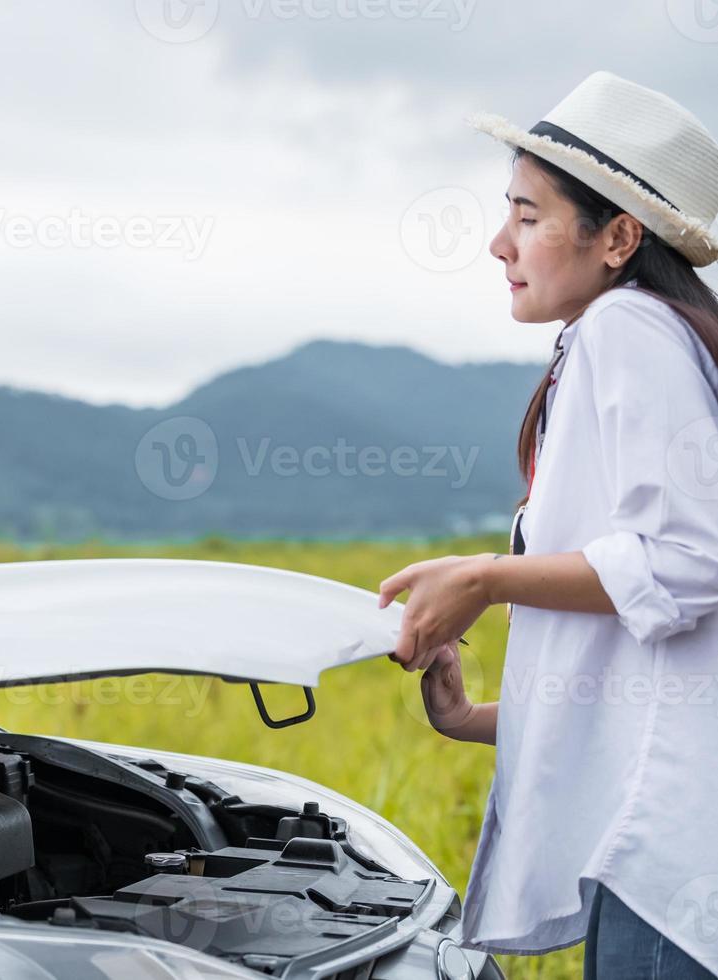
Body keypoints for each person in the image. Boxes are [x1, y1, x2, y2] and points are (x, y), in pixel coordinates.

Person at [376, 71, 718, 979]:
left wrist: (487, 577)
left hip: (669, 856)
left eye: (527, 216)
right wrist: (475, 718)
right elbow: (645, 680)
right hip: (653, 846)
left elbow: (689, 560)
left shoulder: (628, 332)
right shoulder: (622, 337)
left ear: (617, 238)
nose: (498, 243)